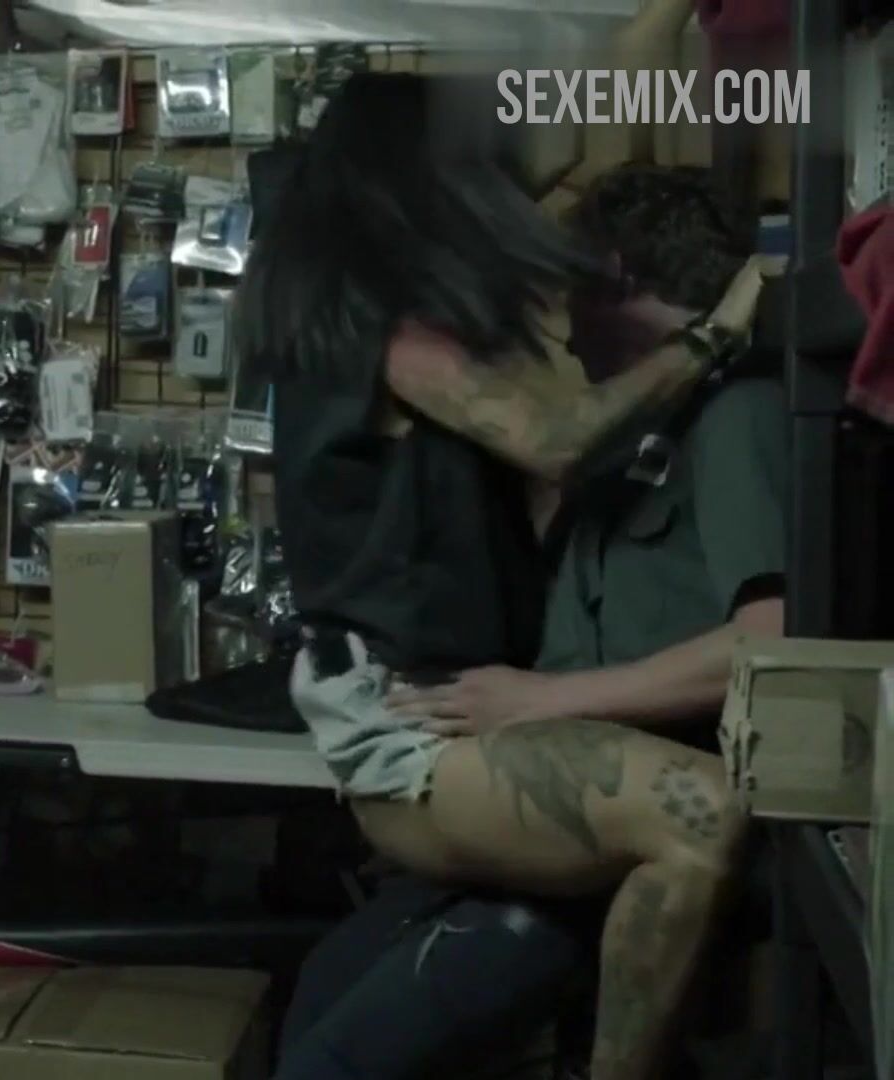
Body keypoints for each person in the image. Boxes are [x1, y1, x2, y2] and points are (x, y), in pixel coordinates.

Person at [238, 71, 773, 1080]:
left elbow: (572, 153)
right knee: (704, 817)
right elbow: (556, 438)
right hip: (420, 728)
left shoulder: (373, 306)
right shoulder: (390, 330)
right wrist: (715, 332)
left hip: (446, 708)